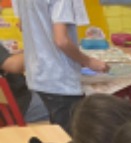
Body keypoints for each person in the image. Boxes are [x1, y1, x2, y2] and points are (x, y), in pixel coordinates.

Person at [10, 0, 109, 132]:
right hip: (59, 79)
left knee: (59, 134)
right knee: (71, 136)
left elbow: (22, 25)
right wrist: (89, 61)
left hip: (38, 74)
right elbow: (61, 41)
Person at [0, 43, 49, 123]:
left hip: (10, 108)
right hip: (20, 107)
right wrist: (40, 51)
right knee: (66, 102)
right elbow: (13, 65)